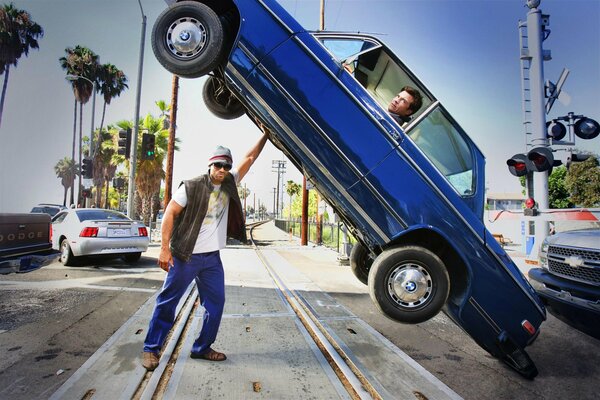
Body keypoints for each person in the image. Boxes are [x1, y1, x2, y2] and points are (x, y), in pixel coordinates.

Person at [141, 130, 269, 371]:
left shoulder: (230, 181)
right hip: (185, 255)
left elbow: (250, 158)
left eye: (226, 166)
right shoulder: (191, 187)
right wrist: (163, 249)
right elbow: (169, 213)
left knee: (216, 303)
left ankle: (202, 347)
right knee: (169, 301)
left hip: (211, 258)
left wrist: (266, 134)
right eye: (219, 165)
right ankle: (150, 348)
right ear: (211, 165)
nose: (222, 170)